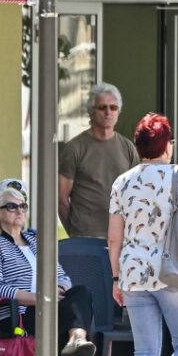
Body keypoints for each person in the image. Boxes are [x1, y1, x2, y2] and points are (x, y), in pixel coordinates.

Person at [0, 179, 105, 356]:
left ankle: (77, 338)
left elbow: (63, 275)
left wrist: (59, 288)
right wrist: (40, 297)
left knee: (80, 293)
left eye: (23, 206)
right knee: (68, 315)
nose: (19, 211)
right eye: (12, 206)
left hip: (51, 309)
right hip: (21, 316)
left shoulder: (36, 242)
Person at [109, 114, 178, 356]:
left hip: (132, 273)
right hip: (173, 273)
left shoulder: (122, 182)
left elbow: (114, 237)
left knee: (146, 351)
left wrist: (115, 277)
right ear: (167, 144)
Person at [61, 83, 141, 239]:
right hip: (85, 238)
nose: (108, 112)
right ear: (91, 112)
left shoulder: (128, 148)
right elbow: (61, 198)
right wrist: (74, 232)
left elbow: (137, 193)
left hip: (121, 238)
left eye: (113, 108)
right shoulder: (75, 148)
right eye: (102, 107)